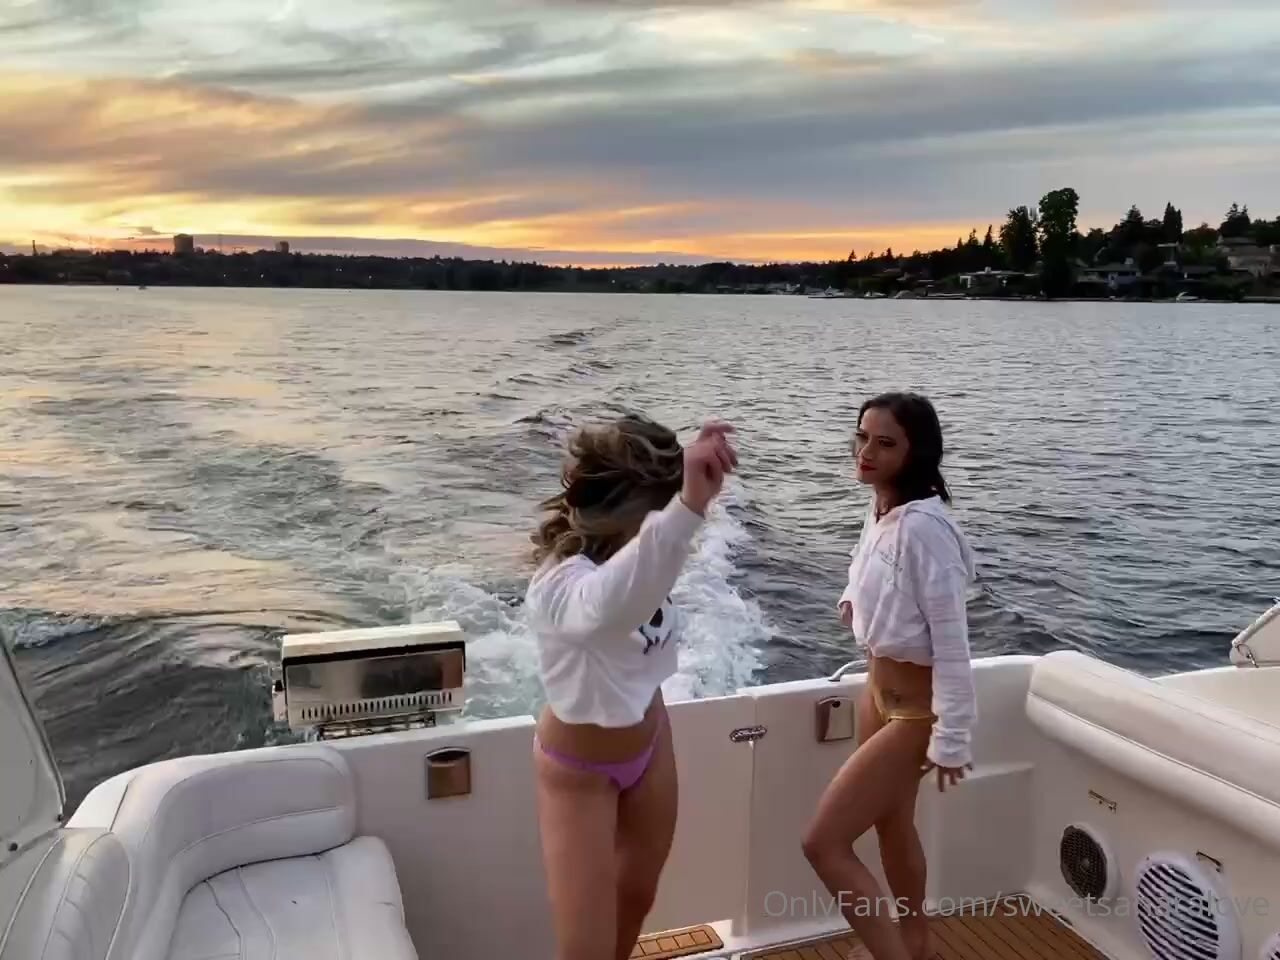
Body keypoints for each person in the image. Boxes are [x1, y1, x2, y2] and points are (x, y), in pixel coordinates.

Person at [525, 413, 737, 960]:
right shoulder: (559, 584)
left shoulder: (638, 556)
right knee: (586, 949)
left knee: (637, 898)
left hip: (650, 739)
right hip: (579, 772)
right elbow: (608, 605)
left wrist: (689, 491)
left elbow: (645, 576)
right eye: (660, 504)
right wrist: (687, 508)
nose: (667, 516)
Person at [801, 392, 977, 960]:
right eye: (861, 437)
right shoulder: (882, 509)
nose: (866, 451)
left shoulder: (927, 530)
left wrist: (952, 739)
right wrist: (853, 600)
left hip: (915, 712)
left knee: (823, 843)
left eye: (884, 443)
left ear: (915, 452)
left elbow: (953, 645)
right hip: (877, 692)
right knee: (892, 824)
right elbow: (867, 564)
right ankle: (915, 944)